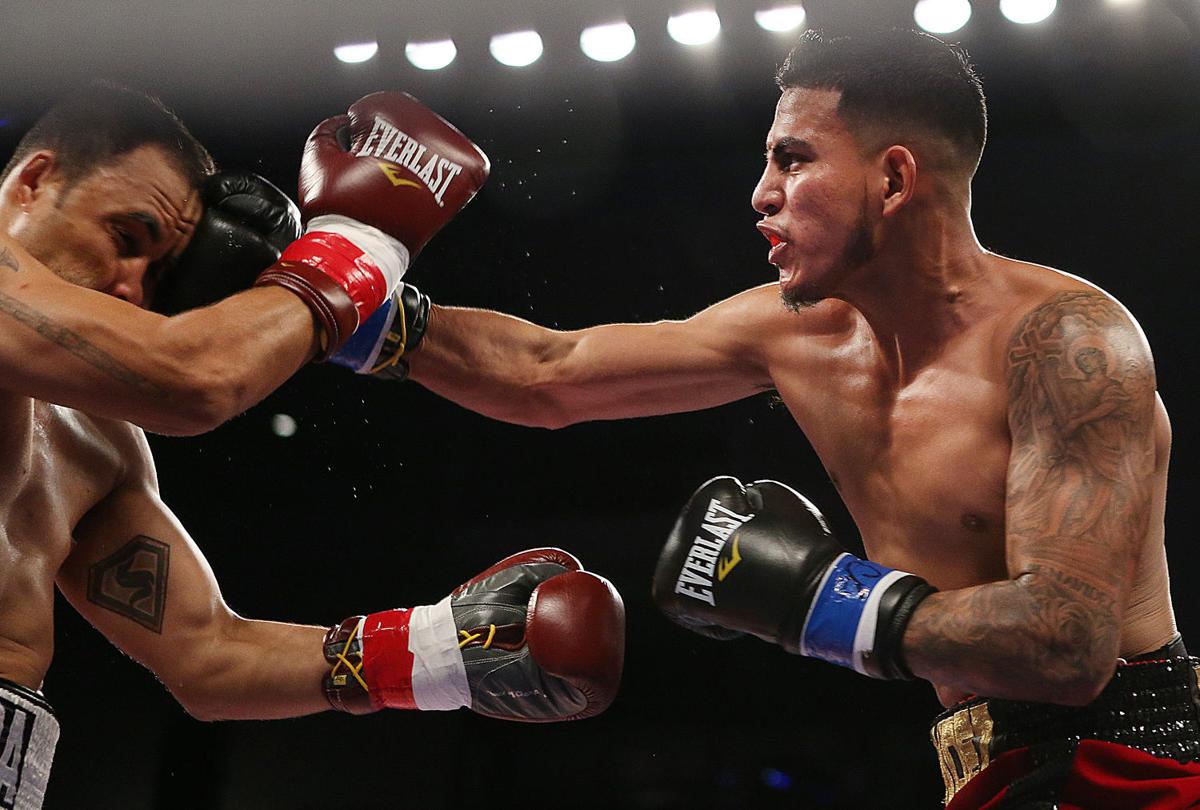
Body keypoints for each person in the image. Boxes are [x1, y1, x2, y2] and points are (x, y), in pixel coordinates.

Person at [336, 29, 1200, 807]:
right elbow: (544, 373)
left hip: (1125, 772)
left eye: (793, 160)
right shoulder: (795, 335)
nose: (761, 193)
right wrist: (335, 295)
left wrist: (814, 600)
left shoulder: (1066, 345)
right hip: (987, 775)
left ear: (894, 178)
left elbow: (1069, 646)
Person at [0, 82, 623, 808]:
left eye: (159, 273)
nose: (132, 289)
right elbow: (194, 376)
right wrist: (363, 244)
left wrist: (433, 652)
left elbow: (208, 658)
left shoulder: (94, 440)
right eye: (126, 238)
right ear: (35, 181)